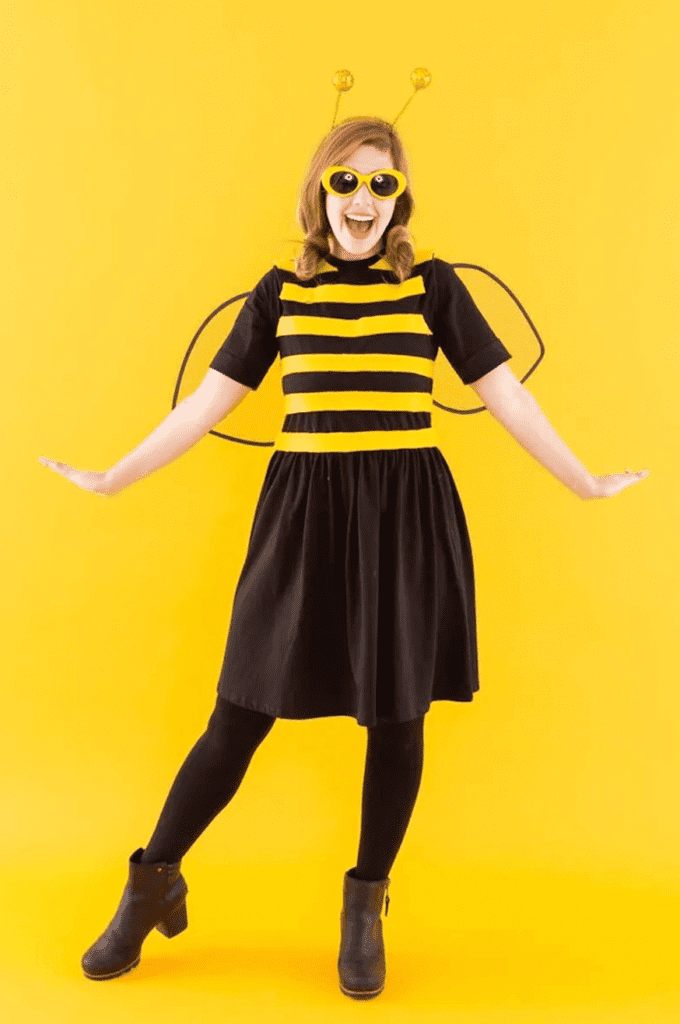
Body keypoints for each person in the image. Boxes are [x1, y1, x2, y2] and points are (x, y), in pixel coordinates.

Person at [38, 116, 649, 1000]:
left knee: (398, 718)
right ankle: (150, 884)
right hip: (304, 518)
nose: (363, 200)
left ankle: (364, 907)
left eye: (382, 184)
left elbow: (504, 395)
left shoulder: (433, 286)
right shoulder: (279, 289)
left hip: (405, 516)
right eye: (346, 182)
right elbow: (208, 404)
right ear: (319, 190)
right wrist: (114, 478)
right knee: (238, 714)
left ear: (400, 199)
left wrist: (583, 482)